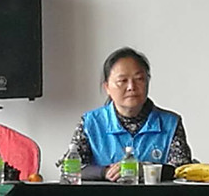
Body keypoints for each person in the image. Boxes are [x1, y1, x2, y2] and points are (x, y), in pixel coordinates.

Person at [61, 47, 192, 181]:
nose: (131, 87)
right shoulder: (91, 122)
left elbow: (183, 170)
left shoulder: (170, 123)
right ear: (107, 87)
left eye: (139, 79)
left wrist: (144, 169)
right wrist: (104, 172)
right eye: (122, 81)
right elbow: (69, 167)